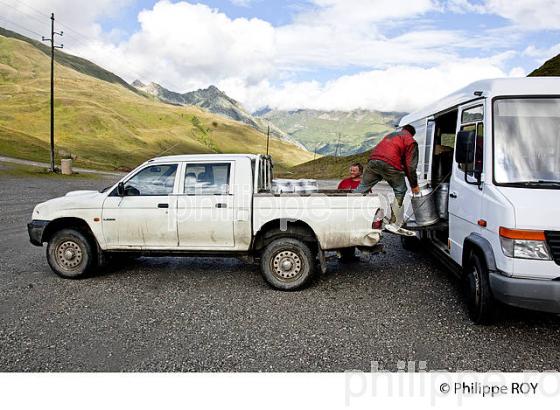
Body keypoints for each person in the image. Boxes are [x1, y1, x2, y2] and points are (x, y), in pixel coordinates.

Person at [355, 124, 420, 235]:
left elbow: (392, 152)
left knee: (362, 188)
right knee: (400, 189)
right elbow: (411, 166)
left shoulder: (391, 135)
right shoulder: (410, 140)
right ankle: (394, 223)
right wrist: (414, 185)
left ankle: (349, 214)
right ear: (412, 133)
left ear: (403, 130)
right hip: (389, 164)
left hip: (373, 161)